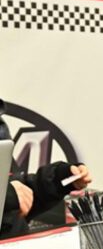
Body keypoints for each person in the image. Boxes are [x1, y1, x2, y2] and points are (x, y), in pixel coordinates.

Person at [0, 100, 91, 237]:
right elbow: (11, 193)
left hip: (17, 244)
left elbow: (23, 194)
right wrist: (7, 195)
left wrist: (62, 177)